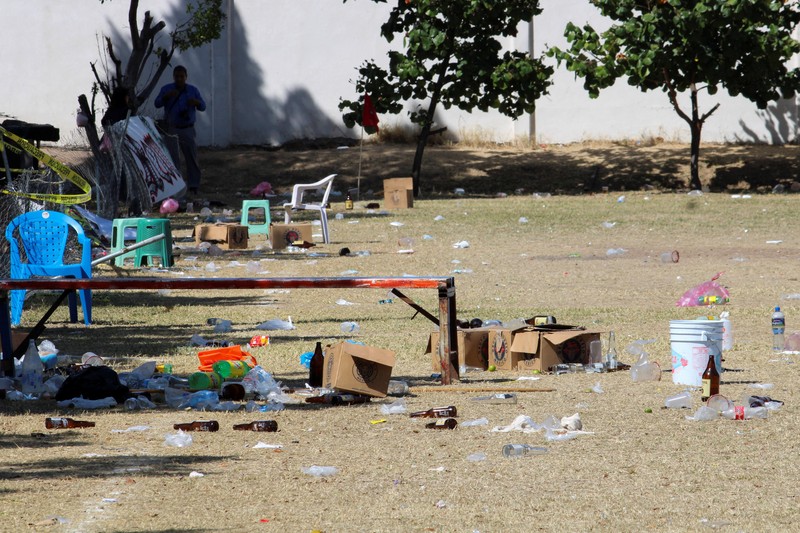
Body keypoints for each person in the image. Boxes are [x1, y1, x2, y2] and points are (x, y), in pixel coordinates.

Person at [154, 65, 206, 195]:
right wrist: (166, 97)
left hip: (187, 128)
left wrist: (196, 102)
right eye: (177, 76)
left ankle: (193, 185)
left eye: (182, 76)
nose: (179, 79)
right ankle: (177, 185)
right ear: (173, 77)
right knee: (172, 159)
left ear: (186, 77)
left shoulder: (193, 90)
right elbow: (157, 103)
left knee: (191, 157)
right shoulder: (166, 89)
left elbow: (203, 107)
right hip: (171, 128)